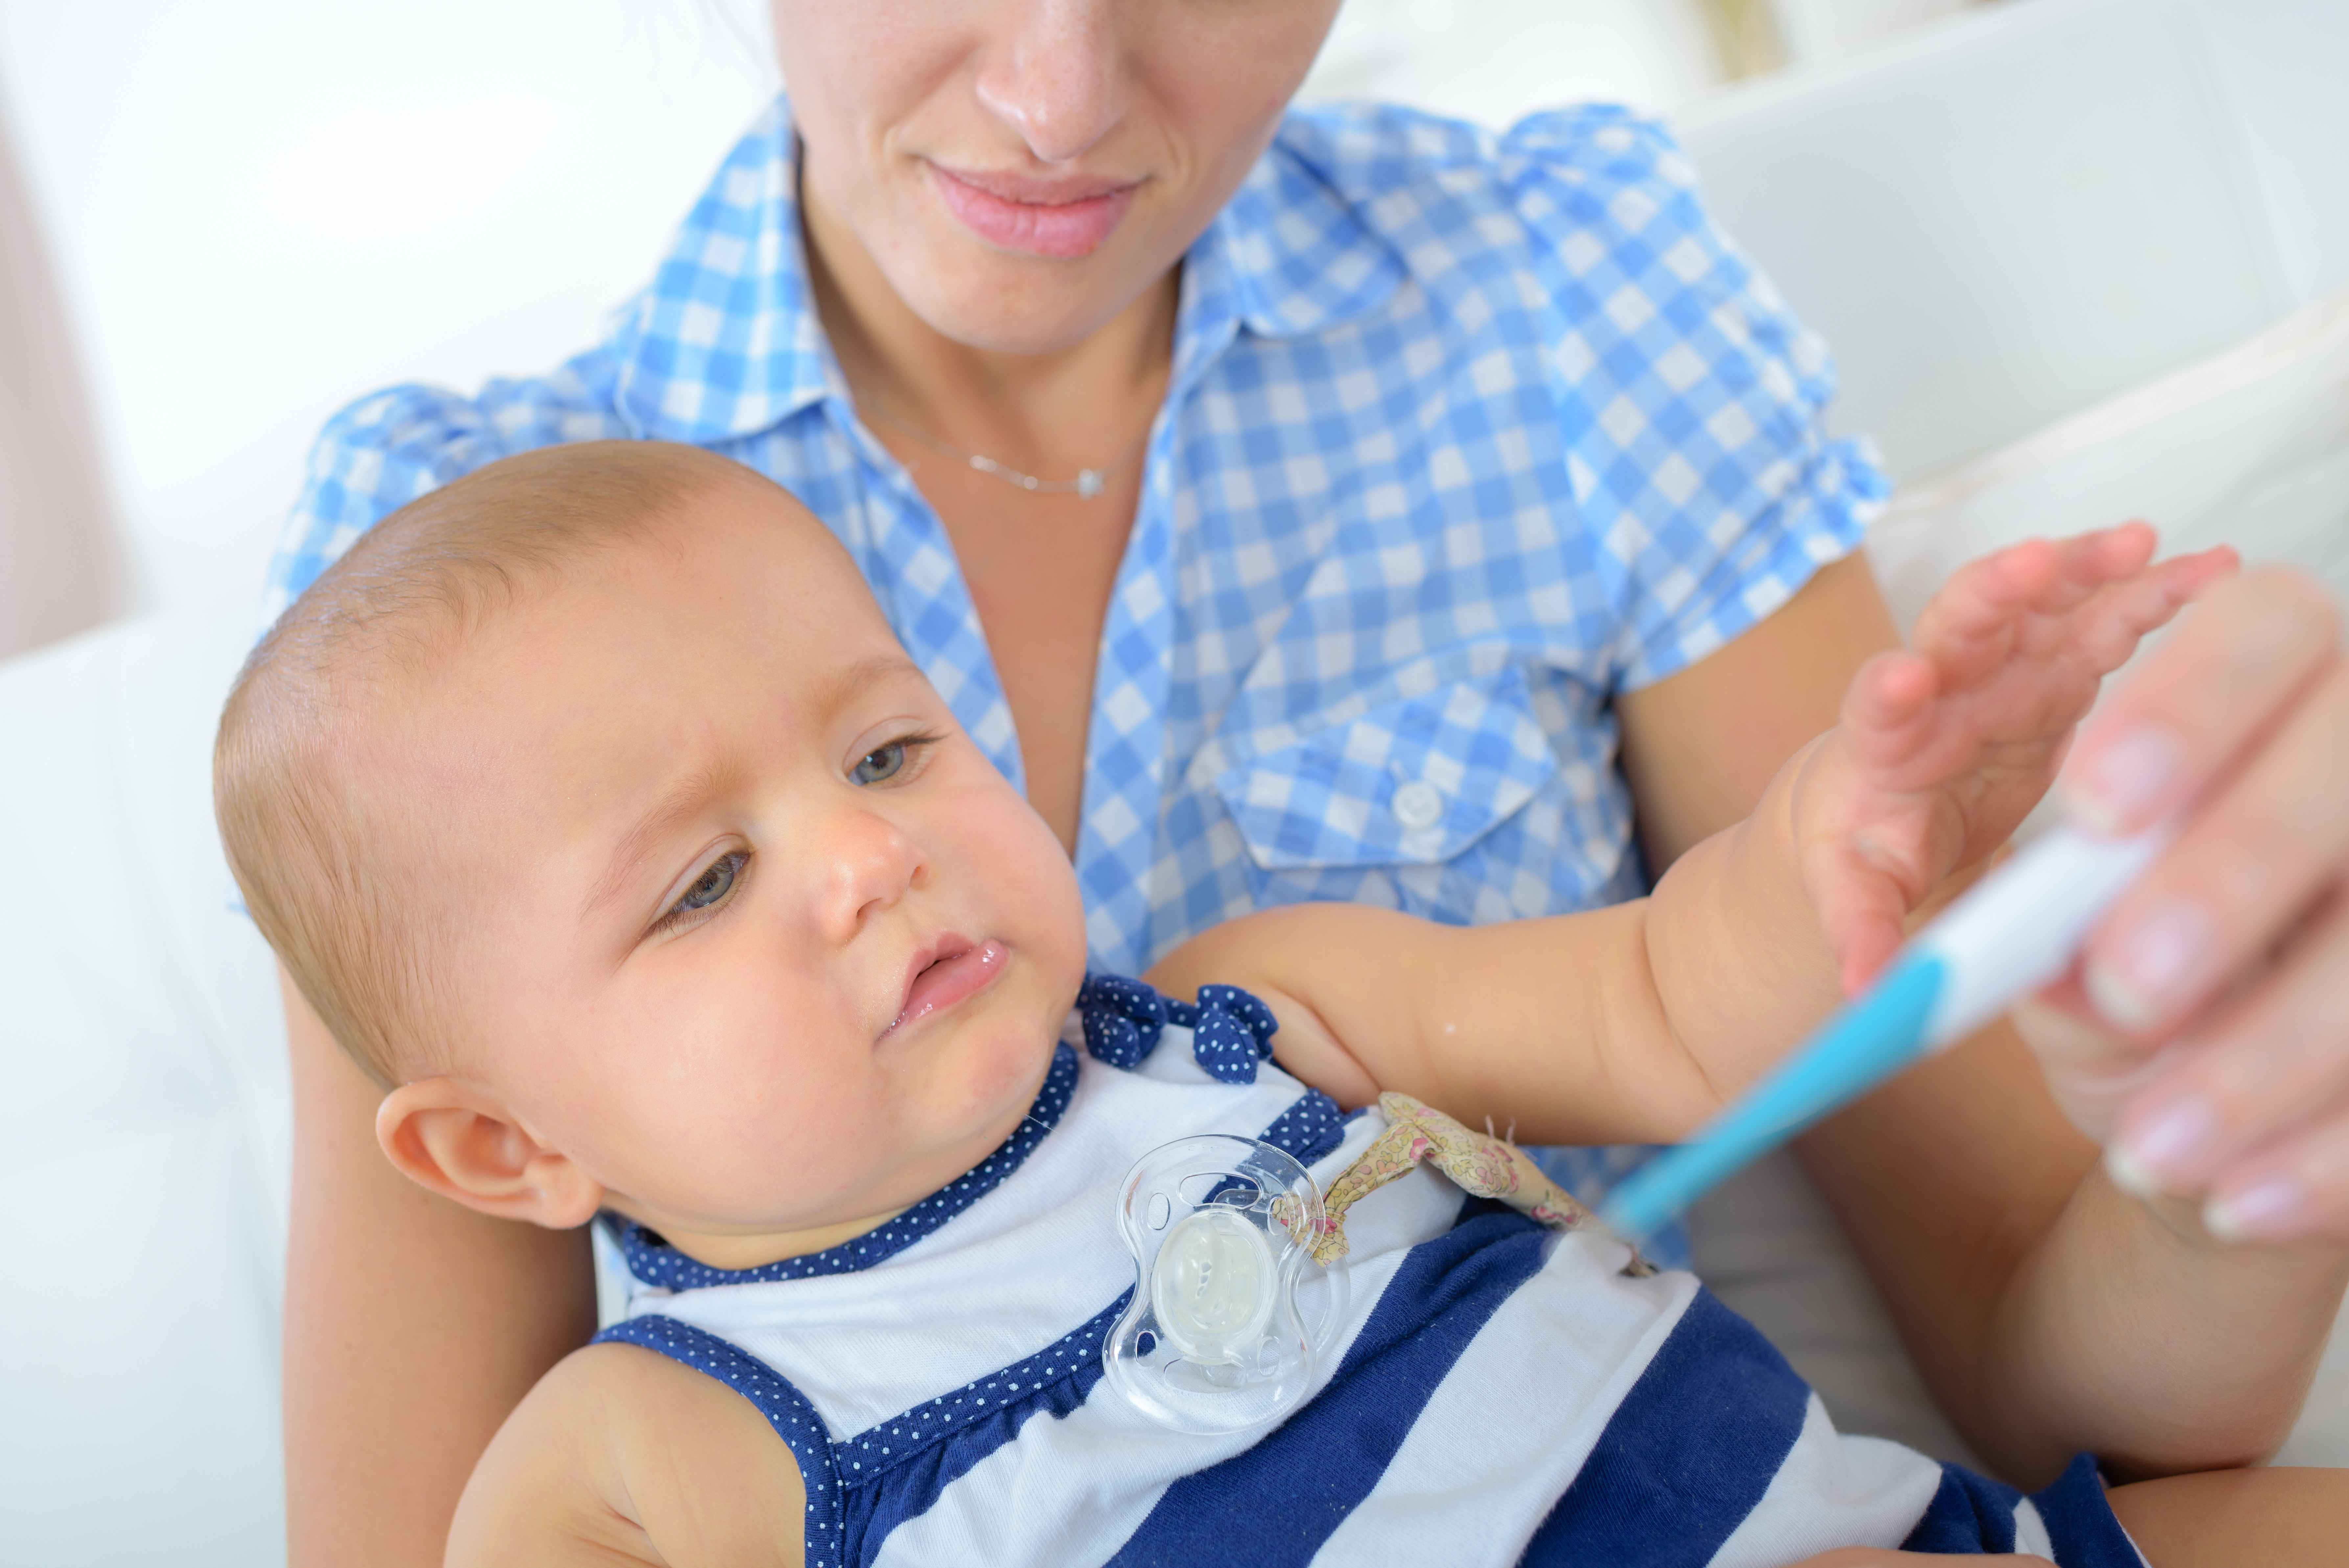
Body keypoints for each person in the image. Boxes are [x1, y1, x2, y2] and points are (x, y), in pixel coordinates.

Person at [262, 6, 2349, 1563]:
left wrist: (1858, 842)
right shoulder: (638, 1447)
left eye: (893, 749)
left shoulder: (1249, 1007)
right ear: (498, 1139)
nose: (1061, 90)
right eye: (705, 880)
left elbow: (1669, 995)